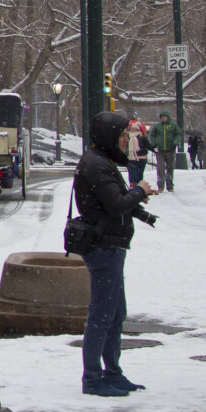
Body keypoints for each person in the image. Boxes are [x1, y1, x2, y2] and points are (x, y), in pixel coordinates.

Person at [73, 109, 160, 396]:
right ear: (110, 135)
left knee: (114, 312)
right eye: (124, 135)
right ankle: (94, 379)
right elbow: (114, 203)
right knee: (103, 314)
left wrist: (141, 211)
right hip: (104, 246)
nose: (127, 141)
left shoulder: (100, 162)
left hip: (111, 244)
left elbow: (114, 200)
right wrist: (140, 192)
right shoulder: (97, 165)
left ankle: (112, 372)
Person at [155, 115, 180, 193]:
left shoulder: (173, 126)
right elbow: (152, 135)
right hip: (160, 151)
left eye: (164, 117)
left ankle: (170, 186)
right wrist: (154, 143)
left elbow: (178, 134)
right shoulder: (158, 126)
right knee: (160, 168)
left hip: (170, 150)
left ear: (168, 117)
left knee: (170, 168)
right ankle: (160, 185)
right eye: (162, 117)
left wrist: (175, 142)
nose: (163, 118)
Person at [124, 119, 150, 189]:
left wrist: (154, 150)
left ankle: (139, 187)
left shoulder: (142, 138)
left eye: (134, 129)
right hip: (131, 158)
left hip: (141, 159)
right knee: (132, 174)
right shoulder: (127, 137)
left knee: (139, 174)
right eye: (132, 129)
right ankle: (133, 186)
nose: (133, 131)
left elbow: (148, 146)